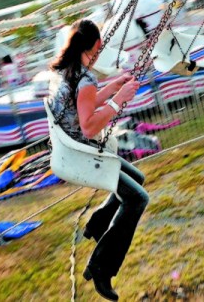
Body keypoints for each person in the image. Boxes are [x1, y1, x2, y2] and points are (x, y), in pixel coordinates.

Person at [47, 19, 148, 301]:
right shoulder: (85, 78)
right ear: (89, 47)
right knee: (138, 198)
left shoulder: (66, 71)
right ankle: (101, 267)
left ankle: (97, 222)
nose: (99, 53)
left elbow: (83, 104)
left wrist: (115, 86)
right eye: (98, 48)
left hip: (72, 148)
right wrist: (119, 100)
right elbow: (89, 125)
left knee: (136, 180)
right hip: (82, 153)